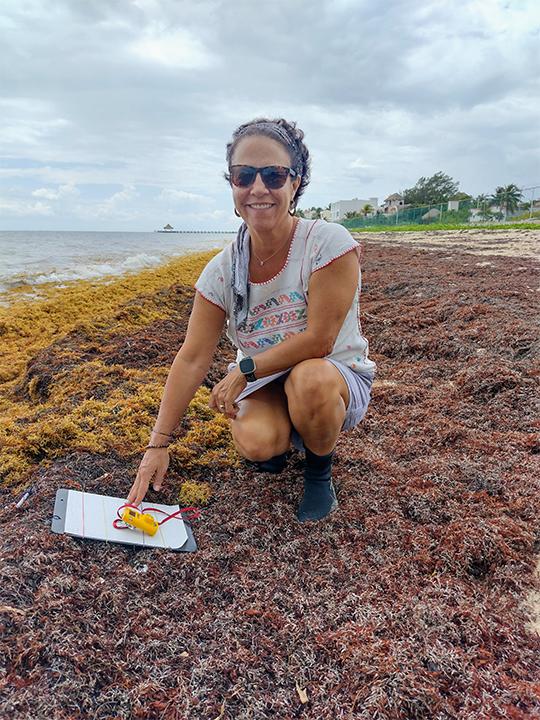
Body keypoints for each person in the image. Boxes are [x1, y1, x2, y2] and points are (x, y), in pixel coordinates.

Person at [127, 117, 376, 522]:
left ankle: (318, 471)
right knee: (259, 444)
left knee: (309, 379)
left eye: (274, 175)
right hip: (264, 379)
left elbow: (320, 341)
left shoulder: (327, 243)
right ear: (233, 186)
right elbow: (191, 359)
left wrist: (245, 367)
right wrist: (158, 444)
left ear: (295, 184)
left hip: (331, 374)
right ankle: (284, 431)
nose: (258, 188)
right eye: (244, 176)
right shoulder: (221, 272)